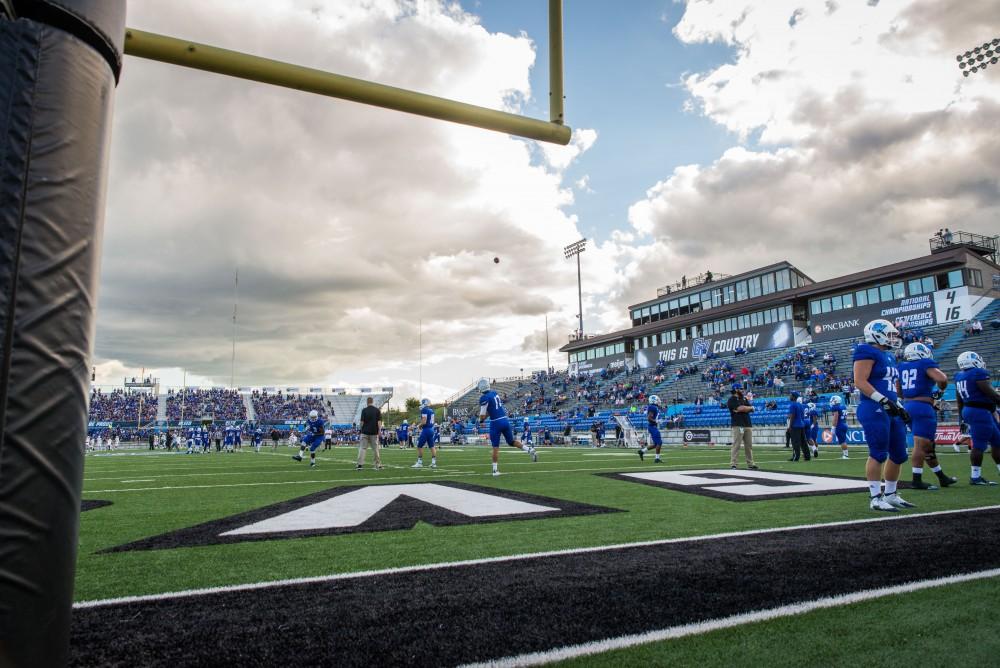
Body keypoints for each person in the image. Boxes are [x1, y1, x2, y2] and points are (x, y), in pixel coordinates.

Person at [853, 319, 914, 511]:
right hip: (873, 407)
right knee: (878, 453)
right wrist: (882, 400)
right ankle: (875, 498)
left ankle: (891, 494)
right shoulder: (865, 350)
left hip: (890, 407)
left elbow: (889, 388)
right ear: (876, 334)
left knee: (898, 454)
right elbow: (860, 381)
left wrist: (898, 405)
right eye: (890, 334)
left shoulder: (887, 356)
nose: (893, 338)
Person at [899, 342, 957, 490]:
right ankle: (916, 480)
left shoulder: (901, 366)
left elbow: (898, 391)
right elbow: (942, 379)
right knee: (921, 445)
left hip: (908, 405)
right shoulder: (925, 363)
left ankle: (942, 477)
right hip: (922, 406)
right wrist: (940, 391)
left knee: (928, 446)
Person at [954, 351, 1000, 485]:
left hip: (972, 410)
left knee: (997, 441)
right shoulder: (977, 373)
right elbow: (992, 395)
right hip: (980, 411)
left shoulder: (959, 376)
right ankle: (975, 477)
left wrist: (961, 418)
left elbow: (959, 401)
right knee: (979, 445)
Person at [476, 378, 537, 476]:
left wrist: (480, 420)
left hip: (495, 423)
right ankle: (529, 450)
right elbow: (492, 410)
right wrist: (484, 417)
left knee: (495, 447)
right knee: (511, 441)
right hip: (504, 420)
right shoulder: (494, 393)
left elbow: (483, 415)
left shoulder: (484, 398)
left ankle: (495, 471)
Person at [727, 385, 757, 470]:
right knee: (736, 445)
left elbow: (750, 409)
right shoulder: (731, 399)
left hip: (747, 424)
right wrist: (748, 408)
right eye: (740, 389)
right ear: (735, 390)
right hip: (738, 424)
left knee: (749, 445)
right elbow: (740, 408)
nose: (742, 390)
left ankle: (750, 463)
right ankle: (734, 463)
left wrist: (747, 408)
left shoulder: (744, 399)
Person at [357, 396, 383, 470]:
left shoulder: (364, 410)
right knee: (375, 449)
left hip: (365, 432)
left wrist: (360, 429)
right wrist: (379, 431)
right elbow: (379, 422)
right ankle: (377, 464)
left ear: (367, 402)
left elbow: (362, 422)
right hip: (374, 432)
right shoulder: (377, 410)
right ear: (372, 402)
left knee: (363, 448)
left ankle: (360, 465)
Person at [411, 398, 439, 469]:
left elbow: (424, 421)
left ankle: (419, 462)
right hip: (431, 429)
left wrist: (419, 426)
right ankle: (433, 463)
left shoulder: (424, 410)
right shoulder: (431, 410)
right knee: (432, 446)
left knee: (419, 446)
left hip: (426, 430)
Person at [636, 395, 663, 463]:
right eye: (657, 400)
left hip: (652, 426)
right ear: (654, 401)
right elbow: (649, 418)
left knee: (655, 444)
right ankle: (657, 459)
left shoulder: (654, 407)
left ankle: (642, 451)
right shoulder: (652, 407)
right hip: (652, 427)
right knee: (659, 442)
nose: (658, 401)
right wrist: (656, 421)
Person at [786, 391, 810, 462]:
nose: (789, 396)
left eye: (790, 395)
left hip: (795, 426)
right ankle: (807, 456)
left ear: (793, 397)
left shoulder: (792, 405)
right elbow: (802, 416)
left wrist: (790, 426)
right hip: (801, 425)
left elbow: (792, 416)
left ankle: (796, 456)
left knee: (795, 442)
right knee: (803, 442)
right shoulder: (800, 405)